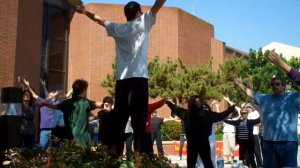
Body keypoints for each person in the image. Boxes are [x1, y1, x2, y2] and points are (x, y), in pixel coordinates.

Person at [74, 0, 167, 155]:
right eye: (141, 11)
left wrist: (84, 12)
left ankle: (114, 156)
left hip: (122, 82)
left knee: (120, 121)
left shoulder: (118, 28)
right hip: (139, 80)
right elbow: (158, 5)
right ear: (138, 13)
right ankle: (142, 159)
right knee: (139, 123)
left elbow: (100, 20)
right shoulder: (143, 22)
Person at [233, 68, 300, 167]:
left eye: (277, 84)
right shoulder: (265, 98)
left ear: (284, 86)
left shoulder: (294, 98)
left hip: (288, 142)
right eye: (272, 84)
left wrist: (281, 64)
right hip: (268, 142)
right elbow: (251, 94)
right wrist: (240, 84)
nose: (274, 86)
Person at [166, 96, 236, 168]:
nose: (198, 103)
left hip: (203, 141)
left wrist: (230, 109)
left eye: (199, 101)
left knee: (207, 162)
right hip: (192, 142)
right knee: (191, 163)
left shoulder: (206, 114)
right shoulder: (187, 114)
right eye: (196, 102)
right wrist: (167, 102)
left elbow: (220, 115)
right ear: (192, 103)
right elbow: (176, 109)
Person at [38, 79, 103, 147]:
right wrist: (106, 104)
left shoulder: (66, 103)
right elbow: (97, 104)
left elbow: (54, 106)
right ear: (84, 90)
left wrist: (44, 104)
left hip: (68, 139)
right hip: (82, 140)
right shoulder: (86, 102)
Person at [22, 79, 59, 150]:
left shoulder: (55, 104)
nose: (51, 96)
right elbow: (34, 95)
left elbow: (65, 97)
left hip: (54, 130)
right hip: (44, 130)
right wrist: (28, 86)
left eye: (52, 96)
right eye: (50, 95)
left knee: (53, 151)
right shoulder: (42, 102)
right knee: (42, 149)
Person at [222, 97, 241, 164]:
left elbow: (239, 110)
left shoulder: (235, 119)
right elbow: (218, 115)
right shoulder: (224, 119)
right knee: (225, 146)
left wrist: (229, 101)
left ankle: (232, 160)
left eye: (230, 112)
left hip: (231, 133)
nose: (229, 113)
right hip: (225, 133)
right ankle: (227, 160)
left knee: (232, 146)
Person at [245, 103, 263, 167]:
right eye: (246, 107)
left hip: (254, 133)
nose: (247, 108)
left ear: (251, 107)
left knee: (256, 150)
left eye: (248, 107)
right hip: (247, 134)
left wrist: (251, 123)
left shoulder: (255, 113)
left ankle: (259, 164)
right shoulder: (246, 114)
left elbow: (259, 122)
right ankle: (247, 163)